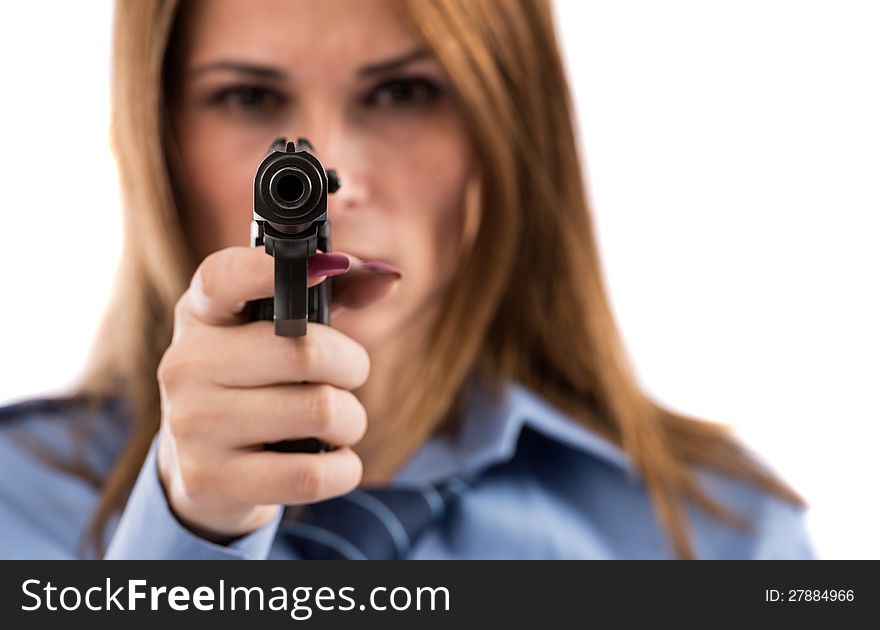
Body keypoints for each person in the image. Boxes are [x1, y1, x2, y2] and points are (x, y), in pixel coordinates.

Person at [0, 0, 814, 560]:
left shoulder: (719, 534)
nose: (332, 177)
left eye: (403, 91)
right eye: (246, 95)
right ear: (156, 139)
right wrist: (188, 537)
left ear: (508, 124)